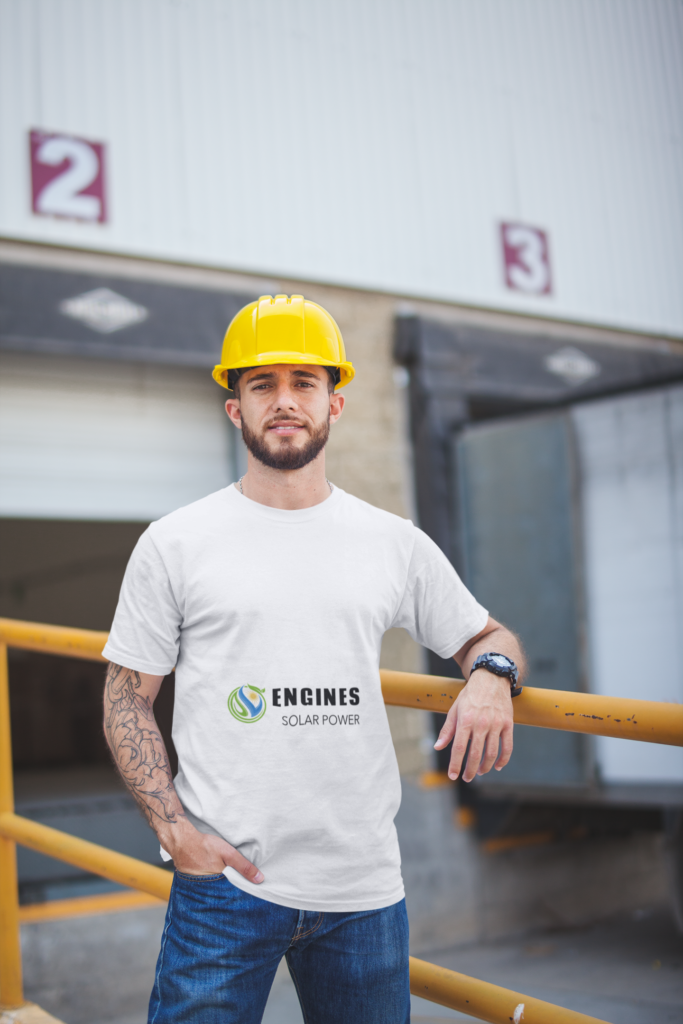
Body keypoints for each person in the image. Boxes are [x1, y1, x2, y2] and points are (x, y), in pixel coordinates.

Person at [102, 294, 526, 1024]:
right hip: (222, 889)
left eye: (304, 381)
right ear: (234, 409)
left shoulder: (392, 542)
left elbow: (488, 636)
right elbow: (124, 696)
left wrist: (491, 677)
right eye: (261, 384)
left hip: (360, 892)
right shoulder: (175, 542)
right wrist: (175, 833)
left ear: (337, 402)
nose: (285, 400)